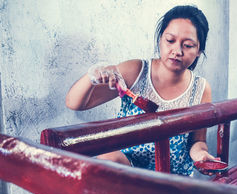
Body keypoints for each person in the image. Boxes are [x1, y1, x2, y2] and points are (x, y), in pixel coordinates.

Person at [66, 5, 217, 176]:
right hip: (128, 171)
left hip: (173, 178)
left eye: (188, 45)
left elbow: (197, 141)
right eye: (170, 40)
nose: (177, 51)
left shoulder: (201, 89)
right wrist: (94, 75)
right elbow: (74, 103)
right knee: (107, 158)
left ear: (199, 51)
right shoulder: (136, 71)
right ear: (160, 39)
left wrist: (201, 155)